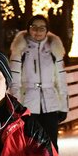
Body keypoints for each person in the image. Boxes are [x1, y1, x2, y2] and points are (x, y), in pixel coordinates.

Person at [9, 14, 69, 148]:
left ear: (47, 30)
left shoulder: (54, 49)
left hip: (50, 104)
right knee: (30, 144)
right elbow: (14, 80)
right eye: (34, 27)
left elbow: (61, 79)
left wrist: (63, 106)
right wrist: (16, 105)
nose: (38, 31)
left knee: (51, 144)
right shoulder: (20, 50)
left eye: (42, 28)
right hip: (28, 104)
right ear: (28, 29)